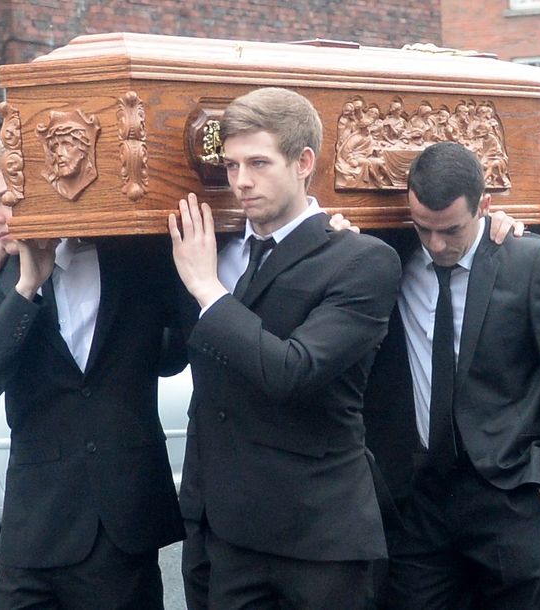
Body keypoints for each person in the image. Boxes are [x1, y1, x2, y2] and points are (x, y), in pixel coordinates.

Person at [168, 87, 401, 609]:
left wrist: (209, 290)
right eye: (230, 166)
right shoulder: (211, 250)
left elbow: (293, 371)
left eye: (258, 163)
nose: (241, 181)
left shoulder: (361, 259)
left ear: (303, 163)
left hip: (319, 538)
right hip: (226, 535)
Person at [0, 141, 187, 609]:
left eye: (5, 198)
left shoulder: (137, 256)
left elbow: (173, 353)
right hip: (35, 528)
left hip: (122, 523)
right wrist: (26, 289)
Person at [374, 141, 540, 609]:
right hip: (417, 498)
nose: (437, 245)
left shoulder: (530, 264)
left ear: (484, 206)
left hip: (510, 494)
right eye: (424, 229)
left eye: (452, 231)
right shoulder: (388, 260)